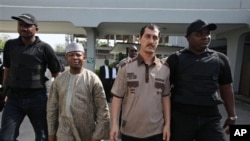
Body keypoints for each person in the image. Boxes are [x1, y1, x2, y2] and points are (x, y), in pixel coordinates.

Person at [166, 19, 237, 141]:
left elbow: (226, 89)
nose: (205, 37)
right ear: (188, 38)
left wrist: (232, 116)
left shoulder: (221, 59)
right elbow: (164, 92)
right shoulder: (175, 59)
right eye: (199, 34)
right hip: (181, 118)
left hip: (210, 118)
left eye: (207, 34)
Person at [0, 13, 62, 141]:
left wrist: (59, 98)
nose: (23, 28)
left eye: (28, 26)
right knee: (6, 137)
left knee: (43, 136)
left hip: (37, 98)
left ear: (36, 29)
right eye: (21, 25)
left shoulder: (45, 48)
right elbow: (8, 69)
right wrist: (3, 92)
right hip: (14, 98)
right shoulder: (10, 45)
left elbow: (57, 74)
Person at [110, 24, 171, 141]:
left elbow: (165, 98)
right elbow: (117, 98)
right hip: (129, 131)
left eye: (155, 38)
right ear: (140, 38)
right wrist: (114, 125)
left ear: (158, 41)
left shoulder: (165, 69)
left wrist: (167, 125)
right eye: (147, 36)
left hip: (156, 132)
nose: (151, 41)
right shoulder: (125, 67)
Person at [47, 43, 110, 141]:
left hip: (87, 132)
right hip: (64, 130)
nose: (75, 58)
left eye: (78, 55)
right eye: (71, 55)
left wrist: (97, 135)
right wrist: (51, 134)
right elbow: (52, 108)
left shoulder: (93, 79)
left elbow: (102, 109)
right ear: (66, 58)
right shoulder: (59, 80)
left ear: (84, 57)